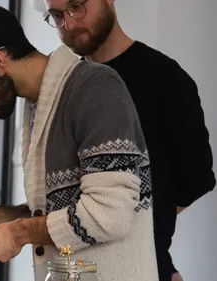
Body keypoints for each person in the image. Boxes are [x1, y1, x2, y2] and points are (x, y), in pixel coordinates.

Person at [0, 1, 158, 281]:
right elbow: (56, 211)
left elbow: (108, 214)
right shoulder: (37, 104)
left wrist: (17, 233)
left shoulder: (96, 87)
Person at [41, 0, 216, 280]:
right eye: (57, 15)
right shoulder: (63, 85)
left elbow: (197, 179)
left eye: (76, 6)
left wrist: (136, 229)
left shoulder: (165, 78)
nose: (70, 24)